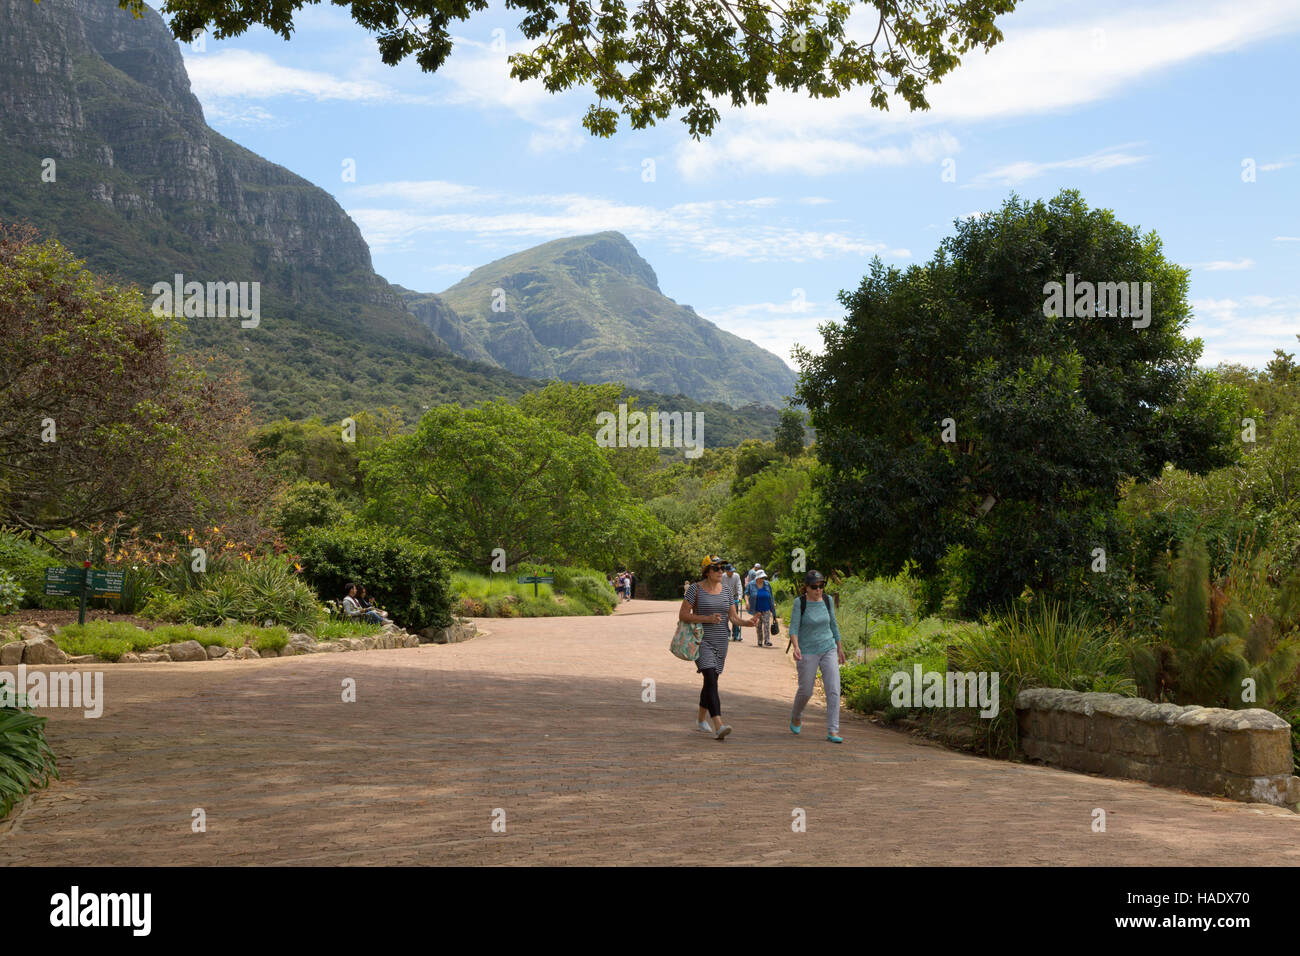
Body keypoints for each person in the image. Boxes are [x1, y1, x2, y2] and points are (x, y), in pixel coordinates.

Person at [681, 555, 758, 740]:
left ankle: (700, 719)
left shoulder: (726, 591)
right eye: (716, 569)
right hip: (702, 641)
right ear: (706, 571)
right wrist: (706, 619)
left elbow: (733, 618)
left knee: (711, 682)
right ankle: (719, 725)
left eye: (722, 569)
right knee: (710, 678)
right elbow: (683, 615)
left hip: (722, 642)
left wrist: (747, 623)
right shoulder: (695, 589)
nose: (720, 572)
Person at [788, 570, 846, 743]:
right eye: (814, 587)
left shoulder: (827, 601)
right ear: (806, 587)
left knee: (834, 689)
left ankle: (833, 731)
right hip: (807, 650)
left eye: (821, 586)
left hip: (828, 647)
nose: (818, 590)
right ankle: (796, 715)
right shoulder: (801, 603)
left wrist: (840, 649)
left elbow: (834, 626)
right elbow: (794, 628)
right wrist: (796, 646)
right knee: (806, 690)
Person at [748, 570, 775, 647]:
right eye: (761, 577)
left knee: (766, 624)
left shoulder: (767, 584)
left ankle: (767, 640)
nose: (763, 579)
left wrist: (773, 604)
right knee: (759, 626)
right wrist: (747, 602)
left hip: (766, 608)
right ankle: (760, 640)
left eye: (763, 577)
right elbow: (746, 594)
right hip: (757, 609)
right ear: (757, 578)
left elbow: (771, 595)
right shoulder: (752, 584)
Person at [721, 563, 745, 641]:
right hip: (724, 597)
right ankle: (727, 633)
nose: (731, 573)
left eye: (732, 571)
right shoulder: (722, 576)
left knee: (734, 617)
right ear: (726, 571)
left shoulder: (736, 576)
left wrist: (740, 597)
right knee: (725, 617)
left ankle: (736, 634)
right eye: (730, 571)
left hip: (734, 597)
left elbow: (739, 586)